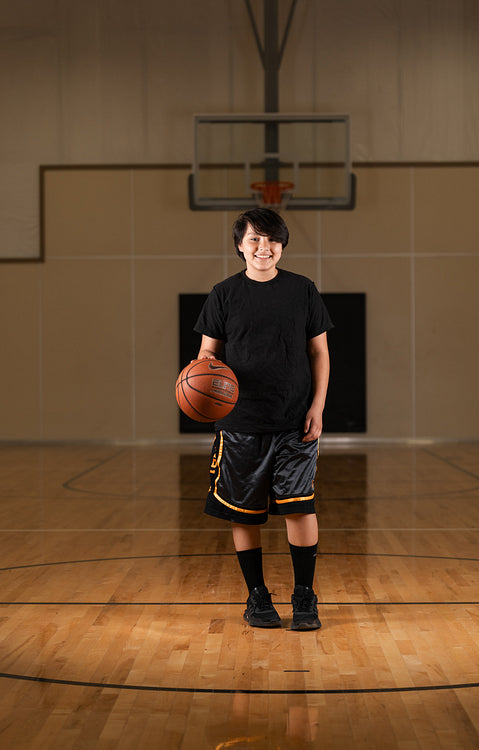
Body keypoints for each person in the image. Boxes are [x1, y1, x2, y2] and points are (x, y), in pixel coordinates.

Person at [194, 207, 332, 630]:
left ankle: (304, 597)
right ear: (240, 245)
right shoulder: (224, 294)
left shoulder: (303, 290)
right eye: (254, 239)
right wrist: (203, 382)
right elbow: (207, 354)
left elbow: (319, 353)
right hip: (240, 423)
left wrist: (318, 406)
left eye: (271, 239)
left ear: (282, 245)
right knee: (243, 511)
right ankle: (257, 597)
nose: (263, 247)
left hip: (293, 419)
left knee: (299, 507)